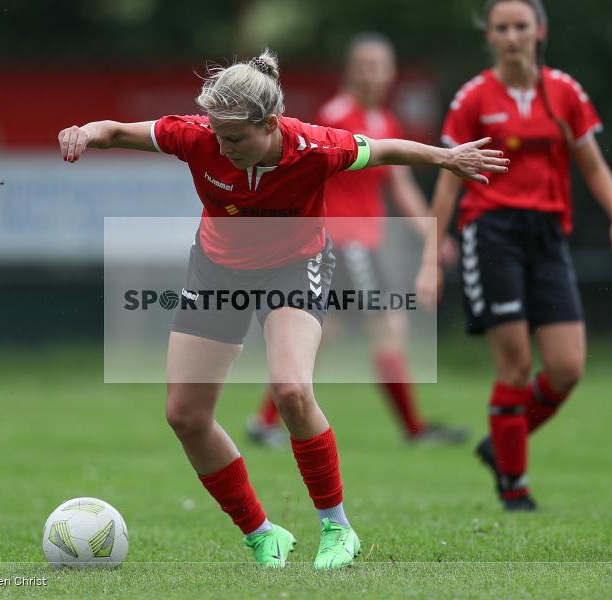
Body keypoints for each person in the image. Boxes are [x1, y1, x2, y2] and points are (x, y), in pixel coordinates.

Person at [58, 49, 507, 567]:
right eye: (218, 136)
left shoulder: (315, 146)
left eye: (236, 139)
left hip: (294, 266)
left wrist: (447, 158)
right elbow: (115, 131)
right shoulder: (197, 135)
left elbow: (383, 151)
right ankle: (261, 533)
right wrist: (85, 131)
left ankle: (337, 529)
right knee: (184, 415)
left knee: (293, 390)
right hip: (216, 271)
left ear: (270, 124)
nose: (223, 149)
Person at [415, 0, 612, 511]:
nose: (513, 36)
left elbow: (593, 165)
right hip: (491, 233)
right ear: (489, 36)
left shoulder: (565, 91)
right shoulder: (473, 97)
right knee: (514, 366)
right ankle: (515, 486)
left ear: (540, 31)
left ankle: (501, 443)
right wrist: (430, 257)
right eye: (502, 28)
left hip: (547, 235)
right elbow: (449, 183)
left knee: (567, 368)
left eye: (521, 26)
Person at [247, 33, 468, 448]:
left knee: (325, 333)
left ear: (391, 71)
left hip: (358, 244)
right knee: (389, 325)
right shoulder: (338, 114)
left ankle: (264, 421)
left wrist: (431, 234)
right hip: (343, 241)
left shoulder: (385, 121)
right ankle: (414, 430)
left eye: (379, 64)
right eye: (364, 63)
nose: (373, 72)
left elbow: (400, 184)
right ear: (351, 70)